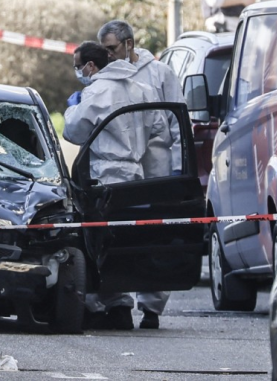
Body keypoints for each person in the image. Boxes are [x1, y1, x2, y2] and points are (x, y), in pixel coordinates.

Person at [63, 41, 166, 330]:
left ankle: (101, 307)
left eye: (78, 66)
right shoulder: (141, 88)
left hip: (104, 178)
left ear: (91, 66)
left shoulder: (97, 91)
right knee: (128, 244)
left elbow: (73, 131)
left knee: (98, 245)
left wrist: (74, 109)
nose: (78, 72)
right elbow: (160, 126)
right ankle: (126, 307)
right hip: (136, 177)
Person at [97, 19, 185, 329]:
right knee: (118, 231)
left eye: (112, 48)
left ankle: (152, 306)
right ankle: (118, 302)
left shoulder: (160, 74)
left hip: (155, 159)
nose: (109, 55)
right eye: (104, 50)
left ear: (129, 44)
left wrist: (177, 168)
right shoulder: (104, 76)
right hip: (121, 160)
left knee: (154, 230)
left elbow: (177, 119)